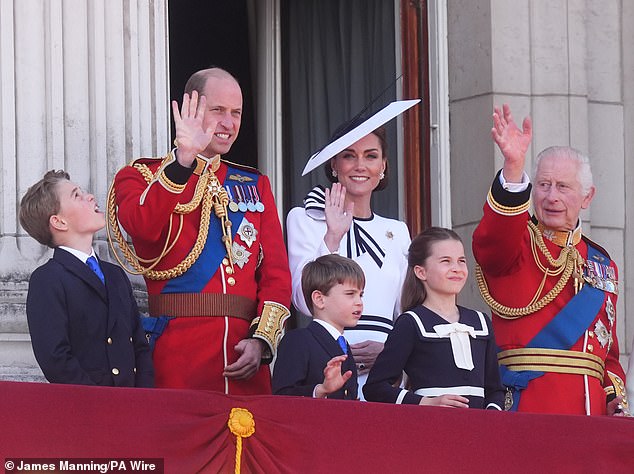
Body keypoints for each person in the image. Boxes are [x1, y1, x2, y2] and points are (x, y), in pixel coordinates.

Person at [110, 67, 291, 394]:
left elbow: (276, 275)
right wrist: (183, 161)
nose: (229, 123)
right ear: (189, 109)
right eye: (218, 110)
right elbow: (141, 227)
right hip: (178, 360)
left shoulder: (254, 184)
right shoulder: (140, 176)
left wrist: (261, 341)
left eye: (236, 113)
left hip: (244, 360)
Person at [472, 104, 629, 415]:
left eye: (563, 187)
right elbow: (492, 240)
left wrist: (614, 399)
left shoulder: (601, 263)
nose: (551, 196)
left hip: (591, 414)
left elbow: (607, 352)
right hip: (528, 405)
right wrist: (514, 167)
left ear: (587, 196)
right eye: (543, 185)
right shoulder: (518, 244)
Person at [287, 125, 411, 400]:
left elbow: (406, 311)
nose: (360, 165)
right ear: (333, 164)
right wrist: (332, 235)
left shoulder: (398, 231)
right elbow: (301, 297)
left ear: (383, 166)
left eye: (370, 156)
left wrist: (391, 353)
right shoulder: (306, 218)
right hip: (327, 364)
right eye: (348, 155)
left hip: (385, 368)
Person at [19, 170, 153, 387]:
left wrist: (143, 397)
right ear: (59, 221)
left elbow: (139, 344)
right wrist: (98, 402)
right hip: (88, 408)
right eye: (76, 195)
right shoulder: (48, 279)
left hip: (133, 404)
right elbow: (56, 359)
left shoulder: (115, 274)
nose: (90, 197)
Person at [363, 228, 504, 409]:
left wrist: (492, 414)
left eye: (461, 261)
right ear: (421, 272)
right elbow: (375, 387)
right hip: (431, 428)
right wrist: (424, 402)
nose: (456, 268)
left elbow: (495, 389)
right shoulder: (411, 322)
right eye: (446, 261)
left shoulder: (480, 321)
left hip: (479, 431)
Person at [272, 254, 363, 399]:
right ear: (319, 299)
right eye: (350, 294)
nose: (359, 302)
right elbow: (282, 396)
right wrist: (319, 390)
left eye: (361, 295)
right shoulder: (298, 341)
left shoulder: (344, 345)